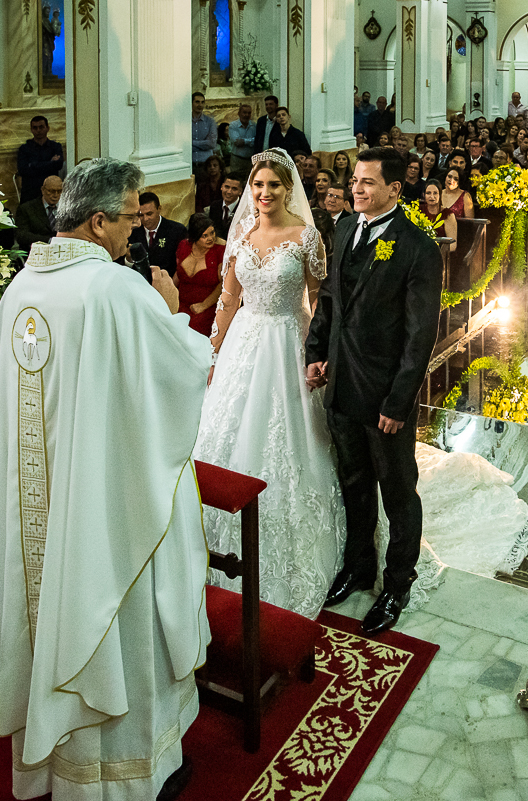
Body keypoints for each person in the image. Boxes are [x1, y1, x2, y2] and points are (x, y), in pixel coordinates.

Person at [0, 157, 210, 801]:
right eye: (132, 215)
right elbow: (181, 374)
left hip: (37, 503)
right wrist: (170, 309)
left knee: (44, 603)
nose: (137, 227)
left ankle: (51, 763)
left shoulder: (23, 285)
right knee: (114, 610)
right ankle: (125, 773)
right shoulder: (116, 289)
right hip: (101, 508)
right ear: (99, 220)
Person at [194, 147, 346, 620]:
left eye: (272, 186)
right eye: (257, 186)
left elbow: (320, 299)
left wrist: (317, 354)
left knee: (290, 438)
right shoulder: (239, 237)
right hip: (244, 342)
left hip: (287, 341)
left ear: (288, 189)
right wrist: (213, 355)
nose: (263, 194)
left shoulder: (306, 237)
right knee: (226, 434)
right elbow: (227, 301)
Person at [306, 146, 443, 635]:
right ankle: (359, 565)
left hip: (384, 395)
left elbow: (419, 335)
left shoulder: (417, 248)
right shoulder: (344, 228)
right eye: (355, 181)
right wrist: (316, 352)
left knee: (398, 491)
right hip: (341, 382)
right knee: (353, 482)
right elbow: (329, 299)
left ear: (394, 189)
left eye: (366, 183)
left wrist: (399, 401)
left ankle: (396, 585)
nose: (355, 189)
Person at [174, 213, 224, 336]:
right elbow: (177, 275)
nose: (210, 238)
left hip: (206, 307)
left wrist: (203, 306)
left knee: (192, 331)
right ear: (195, 237)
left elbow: (223, 284)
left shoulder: (219, 250)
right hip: (180, 304)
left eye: (212, 233)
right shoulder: (183, 246)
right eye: (204, 236)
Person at [127, 191, 189, 277]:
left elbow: (182, 265)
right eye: (141, 215)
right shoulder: (132, 232)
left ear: (159, 209)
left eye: (149, 214)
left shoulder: (177, 230)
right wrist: (128, 260)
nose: (145, 219)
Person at [17, 115, 64, 202]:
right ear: (31, 130)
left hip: (51, 191)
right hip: (31, 190)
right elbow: (23, 170)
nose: (38, 130)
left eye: (41, 127)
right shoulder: (24, 148)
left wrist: (33, 165)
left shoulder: (55, 146)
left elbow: (58, 165)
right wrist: (49, 162)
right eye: (35, 128)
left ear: (47, 128)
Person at [14, 175, 62, 251]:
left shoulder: (67, 208)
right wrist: (49, 241)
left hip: (62, 251)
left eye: (59, 191)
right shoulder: (27, 209)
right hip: (36, 252)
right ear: (43, 190)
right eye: (51, 191)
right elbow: (21, 235)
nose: (55, 195)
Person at [419, 179, 456, 249]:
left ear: (440, 195)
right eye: (428, 193)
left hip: (440, 254)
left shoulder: (448, 215)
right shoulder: (418, 211)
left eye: (435, 193)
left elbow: (453, 245)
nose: (432, 196)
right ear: (424, 195)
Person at [208, 174, 243, 238]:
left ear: (240, 192)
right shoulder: (214, 206)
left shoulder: (244, 209)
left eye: (234, 189)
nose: (229, 192)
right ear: (221, 187)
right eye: (227, 187)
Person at [191, 92, 218, 173]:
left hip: (206, 165)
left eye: (202, 102)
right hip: (189, 164)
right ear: (191, 103)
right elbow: (183, 144)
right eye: (197, 102)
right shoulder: (185, 122)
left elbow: (212, 143)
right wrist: (204, 143)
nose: (200, 105)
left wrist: (192, 143)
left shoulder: (210, 121)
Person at [228, 103, 257, 176]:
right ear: (239, 113)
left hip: (251, 161)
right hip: (237, 160)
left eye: (249, 113)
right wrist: (252, 140)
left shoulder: (254, 125)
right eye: (244, 112)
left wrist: (244, 141)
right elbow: (237, 142)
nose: (246, 115)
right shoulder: (233, 125)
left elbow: (257, 141)